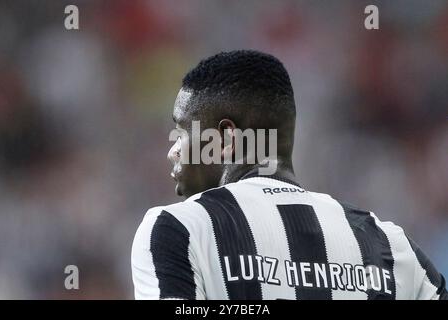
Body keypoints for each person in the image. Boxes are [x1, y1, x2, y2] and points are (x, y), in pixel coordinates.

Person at [131, 50, 447, 300]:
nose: (173, 151)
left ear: (225, 139)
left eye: (182, 132)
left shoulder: (177, 230)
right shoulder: (393, 247)